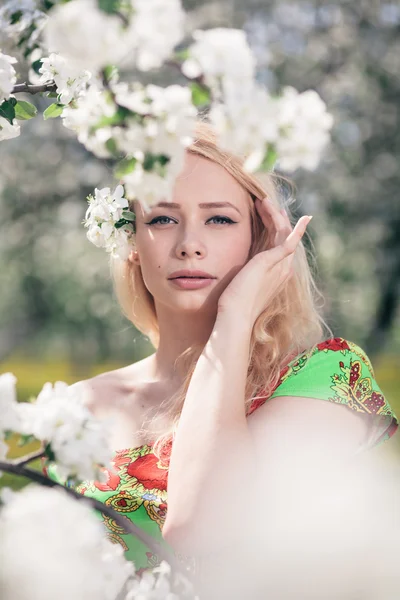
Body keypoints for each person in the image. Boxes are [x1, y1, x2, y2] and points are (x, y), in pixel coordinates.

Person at [43, 122, 398, 599]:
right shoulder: (77, 409)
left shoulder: (325, 378)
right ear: (131, 243)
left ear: (260, 239)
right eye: (163, 219)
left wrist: (235, 318)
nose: (190, 243)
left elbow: (202, 529)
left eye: (220, 219)